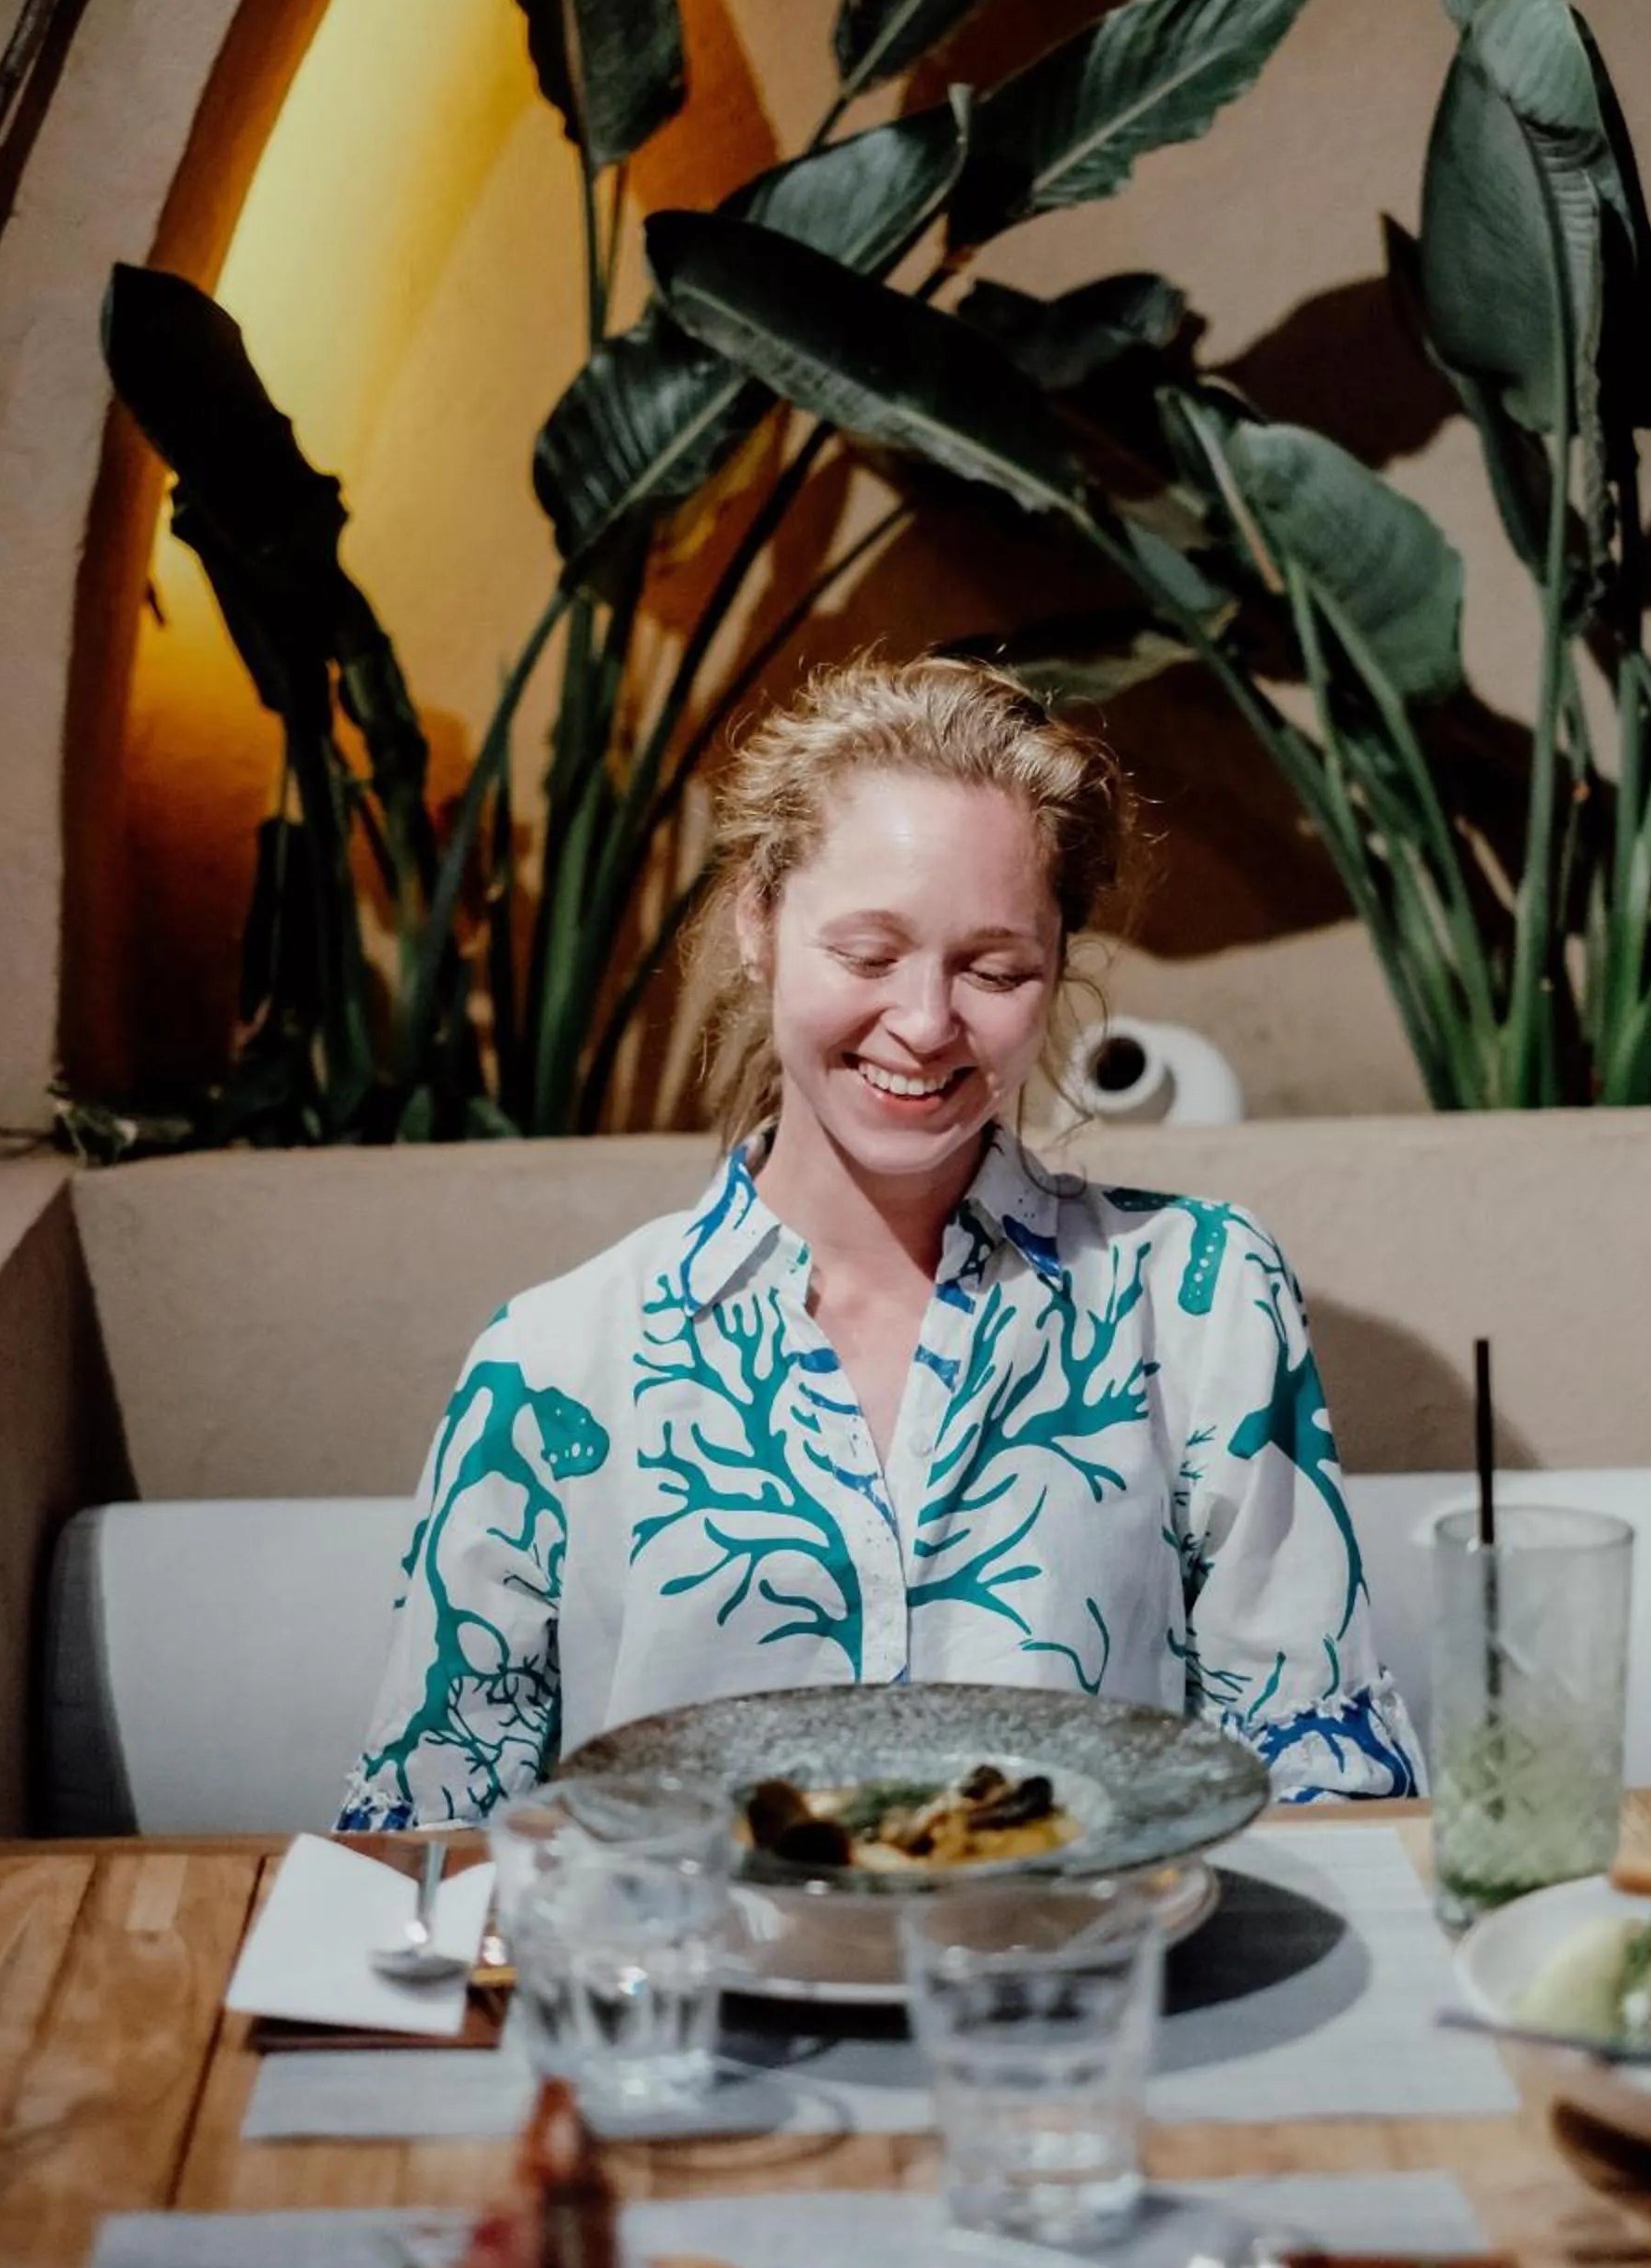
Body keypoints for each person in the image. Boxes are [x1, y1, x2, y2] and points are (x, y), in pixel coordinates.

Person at [341, 657, 1422, 1831]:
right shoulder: (553, 1359)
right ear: (759, 920)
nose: (921, 1022)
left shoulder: (1198, 1300)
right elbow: (423, 1842)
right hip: (686, 2004)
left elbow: (1321, 1760)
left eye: (993, 968)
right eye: (867, 956)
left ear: (1057, 964)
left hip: (1075, 1999)